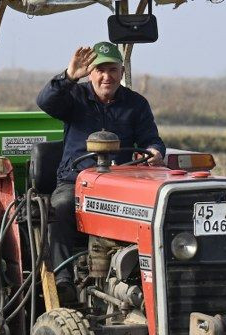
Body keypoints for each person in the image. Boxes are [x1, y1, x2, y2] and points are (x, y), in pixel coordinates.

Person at [36, 41, 165, 304]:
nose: (107, 76)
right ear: (90, 72)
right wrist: (69, 76)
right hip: (76, 180)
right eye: (100, 70)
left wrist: (154, 151)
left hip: (120, 184)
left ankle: (143, 279)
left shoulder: (136, 104)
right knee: (59, 208)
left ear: (121, 72)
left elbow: (152, 139)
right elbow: (45, 102)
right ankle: (63, 281)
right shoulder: (74, 97)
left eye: (113, 69)